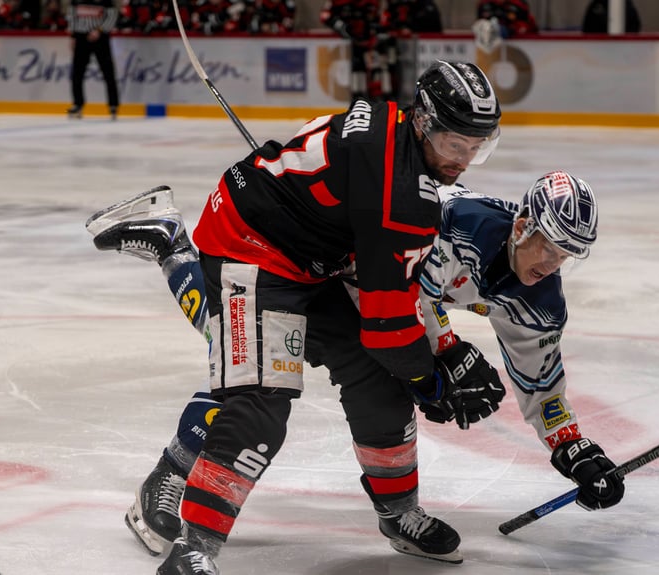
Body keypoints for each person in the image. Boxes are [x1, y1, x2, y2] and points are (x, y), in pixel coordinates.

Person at [88, 167, 627, 565]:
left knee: (382, 390)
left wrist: (572, 447)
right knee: (241, 358)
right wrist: (443, 355)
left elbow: (542, 384)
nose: (552, 264)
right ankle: (172, 248)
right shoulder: (458, 225)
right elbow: (402, 288)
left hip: (353, 290)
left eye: (567, 255)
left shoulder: (540, 298)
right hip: (306, 252)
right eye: (548, 246)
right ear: (522, 223)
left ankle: (397, 512)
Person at [90, 61, 505, 573]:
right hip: (250, 246)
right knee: (261, 395)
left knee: (374, 378)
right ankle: (192, 547)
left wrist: (435, 358)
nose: (463, 161)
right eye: (453, 145)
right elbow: (388, 325)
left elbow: (391, 299)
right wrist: (431, 381)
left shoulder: (395, 133)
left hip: (309, 257)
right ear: (422, 121)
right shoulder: (402, 197)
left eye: (476, 148)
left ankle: (399, 512)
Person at [66, 0, 120, 119]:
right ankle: (78, 103)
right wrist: (73, 35)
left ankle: (113, 104)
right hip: (81, 37)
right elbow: (71, 15)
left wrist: (99, 30)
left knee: (108, 72)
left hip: (100, 38)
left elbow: (112, 15)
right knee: (77, 73)